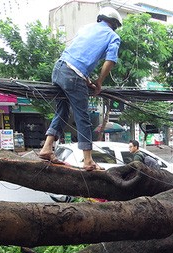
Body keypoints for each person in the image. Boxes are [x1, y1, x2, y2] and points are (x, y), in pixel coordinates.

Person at [38, 6, 122, 171]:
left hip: (59, 69)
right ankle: (88, 160)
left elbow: (77, 57)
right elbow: (110, 60)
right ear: (113, 23)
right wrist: (99, 81)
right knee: (83, 116)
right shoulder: (113, 36)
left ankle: (47, 148)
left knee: (62, 111)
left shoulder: (86, 28)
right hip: (73, 75)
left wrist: (85, 80)